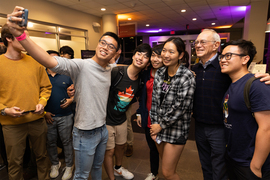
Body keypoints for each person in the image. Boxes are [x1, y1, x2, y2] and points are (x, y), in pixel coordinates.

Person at [7, 6, 121, 180]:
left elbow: (124, 68)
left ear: (116, 52)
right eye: (103, 42)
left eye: (111, 46)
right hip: (85, 132)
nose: (105, 47)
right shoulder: (80, 65)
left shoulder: (109, 68)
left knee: (98, 168)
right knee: (81, 175)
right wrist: (23, 37)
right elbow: (49, 60)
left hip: (102, 129)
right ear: (98, 44)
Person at [0, 24, 52, 180]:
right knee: (15, 163)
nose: (26, 40)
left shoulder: (35, 62)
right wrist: (4, 110)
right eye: (21, 37)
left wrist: (42, 102)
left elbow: (46, 88)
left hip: (37, 121)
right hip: (11, 124)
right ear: (8, 38)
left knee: (42, 157)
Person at [220, 39, 270, 179]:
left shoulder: (257, 85)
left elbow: (267, 128)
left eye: (228, 56)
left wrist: (255, 166)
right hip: (233, 156)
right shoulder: (232, 84)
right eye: (221, 56)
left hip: (249, 162)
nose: (223, 60)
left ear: (245, 59)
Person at [150, 37, 196, 180]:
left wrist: (160, 126)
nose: (166, 55)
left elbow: (181, 107)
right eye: (164, 51)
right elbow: (155, 102)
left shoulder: (186, 76)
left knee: (168, 172)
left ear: (180, 55)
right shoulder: (160, 72)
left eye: (171, 52)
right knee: (166, 166)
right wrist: (154, 126)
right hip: (158, 127)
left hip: (175, 129)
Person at [104, 43, 152, 180]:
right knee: (109, 150)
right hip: (106, 119)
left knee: (121, 146)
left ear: (148, 62)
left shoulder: (141, 80)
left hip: (122, 119)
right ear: (133, 55)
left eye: (146, 56)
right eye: (139, 53)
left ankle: (118, 168)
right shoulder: (116, 72)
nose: (141, 58)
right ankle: (111, 177)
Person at [45, 50, 74, 180]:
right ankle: (55, 164)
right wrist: (45, 113)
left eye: (56, 59)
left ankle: (69, 166)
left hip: (66, 115)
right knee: (50, 142)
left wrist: (71, 99)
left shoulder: (66, 75)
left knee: (66, 141)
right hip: (48, 117)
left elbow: (75, 91)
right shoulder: (41, 75)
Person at [136, 44, 164, 180]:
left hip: (163, 120)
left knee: (165, 150)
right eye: (153, 55)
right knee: (152, 147)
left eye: (159, 56)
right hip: (148, 116)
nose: (155, 59)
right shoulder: (146, 74)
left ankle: (168, 172)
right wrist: (139, 113)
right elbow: (142, 96)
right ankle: (154, 173)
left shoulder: (169, 74)